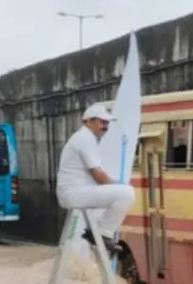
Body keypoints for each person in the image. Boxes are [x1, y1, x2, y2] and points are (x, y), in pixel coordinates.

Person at [56, 103, 135, 254]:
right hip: (74, 193)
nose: (106, 127)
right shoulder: (84, 139)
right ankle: (103, 233)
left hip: (76, 191)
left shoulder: (85, 138)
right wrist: (118, 186)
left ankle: (97, 230)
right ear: (89, 121)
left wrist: (115, 186)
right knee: (127, 194)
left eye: (107, 123)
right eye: (102, 122)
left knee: (122, 192)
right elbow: (98, 175)